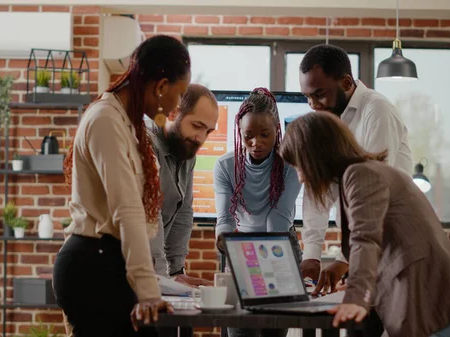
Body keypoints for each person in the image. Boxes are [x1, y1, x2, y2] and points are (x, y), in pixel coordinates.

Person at [280, 111, 450, 337]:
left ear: (316, 156)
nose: (300, 177)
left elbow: (365, 240)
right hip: (434, 302)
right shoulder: (367, 170)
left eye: (300, 166)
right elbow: (391, 244)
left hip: (432, 304)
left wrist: (357, 296)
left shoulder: (360, 175)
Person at [53, 35, 191, 337]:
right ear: (161, 86)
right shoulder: (106, 120)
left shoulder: (126, 121)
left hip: (107, 262)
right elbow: (127, 210)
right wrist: (148, 293)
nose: (178, 104)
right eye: (180, 94)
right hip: (92, 267)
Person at [298, 44, 413, 294]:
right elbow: (317, 192)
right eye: (307, 97)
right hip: (362, 248)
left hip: (394, 248)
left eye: (319, 94)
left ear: (347, 82)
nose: (312, 105)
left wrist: (342, 260)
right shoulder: (328, 120)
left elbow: (372, 195)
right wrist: (311, 255)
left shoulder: (377, 110)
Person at [214, 88, 302, 337]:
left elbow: (278, 218)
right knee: (239, 328)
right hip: (240, 246)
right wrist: (226, 242)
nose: (256, 143)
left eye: (265, 134)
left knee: (271, 329)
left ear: (277, 129)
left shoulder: (290, 165)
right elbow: (225, 218)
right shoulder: (225, 166)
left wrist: (268, 268)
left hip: (281, 244)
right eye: (248, 135)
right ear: (239, 133)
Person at [147, 83, 219, 286]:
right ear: (172, 113)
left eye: (208, 131)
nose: (201, 139)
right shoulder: (145, 143)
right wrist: (161, 280)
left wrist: (176, 271)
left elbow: (183, 211)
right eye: (197, 126)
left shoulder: (186, 152)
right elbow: (150, 214)